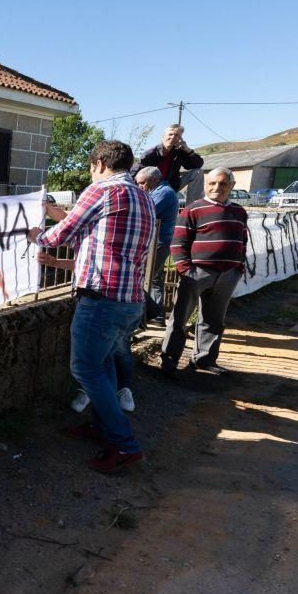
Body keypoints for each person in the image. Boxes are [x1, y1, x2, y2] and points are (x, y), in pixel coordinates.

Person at [28, 141, 155, 474]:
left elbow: (62, 234)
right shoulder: (144, 196)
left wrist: (35, 235)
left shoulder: (101, 191)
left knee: (85, 368)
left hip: (101, 298)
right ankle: (103, 429)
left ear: (99, 163)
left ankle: (125, 445)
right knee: (104, 366)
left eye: (90, 167)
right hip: (129, 299)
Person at [160, 166, 248, 378]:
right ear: (206, 185)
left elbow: (243, 241)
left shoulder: (239, 211)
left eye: (223, 183)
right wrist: (185, 269)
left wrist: (239, 267)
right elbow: (178, 242)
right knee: (179, 318)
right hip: (196, 273)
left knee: (214, 320)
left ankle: (205, 359)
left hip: (228, 274)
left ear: (232, 186)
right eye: (212, 183)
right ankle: (169, 362)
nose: (217, 187)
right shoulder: (193, 210)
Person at [36, 236, 136, 415]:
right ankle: (106, 414)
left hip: (108, 301)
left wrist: (36, 234)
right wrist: (56, 262)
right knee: (103, 357)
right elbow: (85, 262)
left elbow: (58, 233)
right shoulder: (101, 224)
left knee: (95, 361)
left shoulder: (110, 220)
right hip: (114, 299)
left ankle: (118, 421)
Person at [135, 166, 179, 322]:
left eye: (142, 183)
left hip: (158, 243)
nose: (140, 187)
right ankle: (157, 315)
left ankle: (148, 314)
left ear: (154, 180)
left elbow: (144, 211)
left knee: (143, 277)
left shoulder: (164, 193)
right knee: (154, 278)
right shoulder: (160, 191)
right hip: (160, 241)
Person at [131, 124, 204, 192]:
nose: (173, 137)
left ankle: (194, 205)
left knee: (197, 172)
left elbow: (197, 164)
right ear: (163, 137)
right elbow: (133, 174)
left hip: (172, 186)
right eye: (170, 134)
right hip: (153, 188)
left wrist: (188, 149)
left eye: (177, 135)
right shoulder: (151, 154)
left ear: (180, 139)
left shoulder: (179, 152)